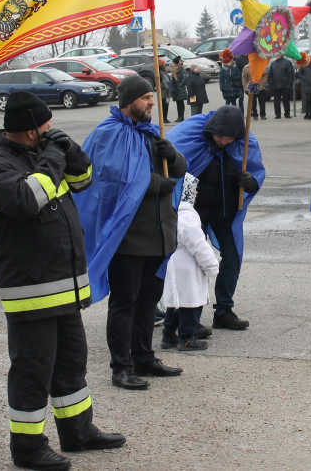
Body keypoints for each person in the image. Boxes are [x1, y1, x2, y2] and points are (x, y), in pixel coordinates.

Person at [0, 91, 124, 469]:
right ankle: (27, 448)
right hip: (31, 291)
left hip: (64, 285)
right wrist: (52, 156)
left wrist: (69, 149)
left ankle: (78, 432)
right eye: (45, 128)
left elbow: (83, 180)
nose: (50, 131)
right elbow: (28, 200)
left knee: (72, 361)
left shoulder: (40, 155)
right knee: (33, 369)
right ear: (28, 133)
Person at [75, 76, 187, 391]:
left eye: (152, 97)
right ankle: (120, 367)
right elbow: (110, 178)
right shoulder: (108, 134)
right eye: (146, 97)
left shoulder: (154, 134)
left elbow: (180, 169)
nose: (152, 102)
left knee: (149, 303)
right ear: (128, 101)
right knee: (124, 303)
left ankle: (144, 358)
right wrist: (154, 184)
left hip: (158, 234)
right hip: (126, 236)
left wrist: (172, 155)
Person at [167, 105, 264, 331]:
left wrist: (251, 182)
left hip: (225, 213)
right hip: (195, 213)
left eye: (228, 139)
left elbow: (257, 171)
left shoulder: (245, 146)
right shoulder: (193, 139)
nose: (222, 142)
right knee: (192, 264)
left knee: (232, 259)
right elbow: (171, 165)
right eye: (219, 137)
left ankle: (224, 311)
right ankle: (190, 317)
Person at [159, 172, 220, 352]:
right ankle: (186, 337)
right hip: (188, 268)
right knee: (191, 305)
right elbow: (198, 245)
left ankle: (168, 334)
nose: (196, 194)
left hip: (173, 265)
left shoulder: (170, 211)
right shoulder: (187, 216)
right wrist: (211, 265)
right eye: (194, 191)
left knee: (175, 304)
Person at [269, 53, 295, 119]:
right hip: (276, 85)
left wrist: (289, 84)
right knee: (276, 101)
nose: (276, 56)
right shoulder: (273, 63)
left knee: (286, 100)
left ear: (281, 55)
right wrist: (271, 85)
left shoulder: (287, 62)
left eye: (277, 55)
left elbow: (291, 74)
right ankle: (277, 114)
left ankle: (287, 114)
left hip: (285, 85)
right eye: (276, 55)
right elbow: (270, 75)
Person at [296, 55, 311, 120]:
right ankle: (307, 114)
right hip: (306, 85)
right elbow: (299, 74)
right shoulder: (304, 65)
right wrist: (305, 78)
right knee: (308, 99)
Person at [169, 56, 188, 123]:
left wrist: (180, 85)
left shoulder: (182, 70)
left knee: (181, 103)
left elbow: (184, 78)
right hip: (176, 89)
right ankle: (179, 116)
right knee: (178, 103)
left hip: (180, 89)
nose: (172, 64)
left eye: (174, 63)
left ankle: (182, 117)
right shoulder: (175, 70)